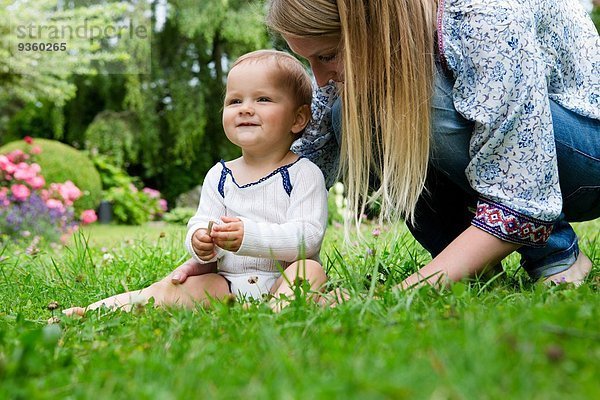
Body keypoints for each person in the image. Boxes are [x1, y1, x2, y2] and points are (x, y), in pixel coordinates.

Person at [261, 0, 599, 289]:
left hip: (587, 151)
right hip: (539, 152)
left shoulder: (485, 16)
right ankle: (473, 272)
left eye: (328, 55)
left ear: (372, 25)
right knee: (348, 111)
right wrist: (243, 248)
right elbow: (309, 154)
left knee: (394, 101)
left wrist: (400, 293)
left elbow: (521, 189)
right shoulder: (383, 39)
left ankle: (556, 258)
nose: (319, 80)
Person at [63, 50, 329, 316]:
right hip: (225, 286)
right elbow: (202, 221)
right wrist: (201, 241)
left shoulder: (303, 173)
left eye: (263, 99)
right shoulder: (220, 175)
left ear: (298, 119)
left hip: (282, 280)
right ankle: (100, 309)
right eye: (235, 100)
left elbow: (308, 237)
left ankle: (275, 313)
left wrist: (249, 237)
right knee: (173, 287)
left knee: (310, 271)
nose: (245, 108)